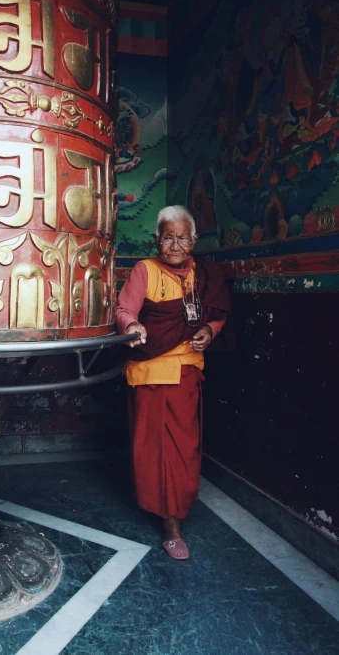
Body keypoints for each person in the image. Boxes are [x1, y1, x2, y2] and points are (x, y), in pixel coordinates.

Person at [116, 205, 231, 560]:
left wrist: (208, 333)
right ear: (157, 239)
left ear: (194, 240)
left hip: (187, 373)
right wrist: (131, 327)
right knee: (154, 450)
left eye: (183, 237)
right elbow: (125, 310)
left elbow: (217, 315)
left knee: (184, 448)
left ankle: (177, 507)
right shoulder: (144, 270)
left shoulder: (205, 274)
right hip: (151, 375)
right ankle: (170, 524)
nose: (176, 245)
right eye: (169, 237)